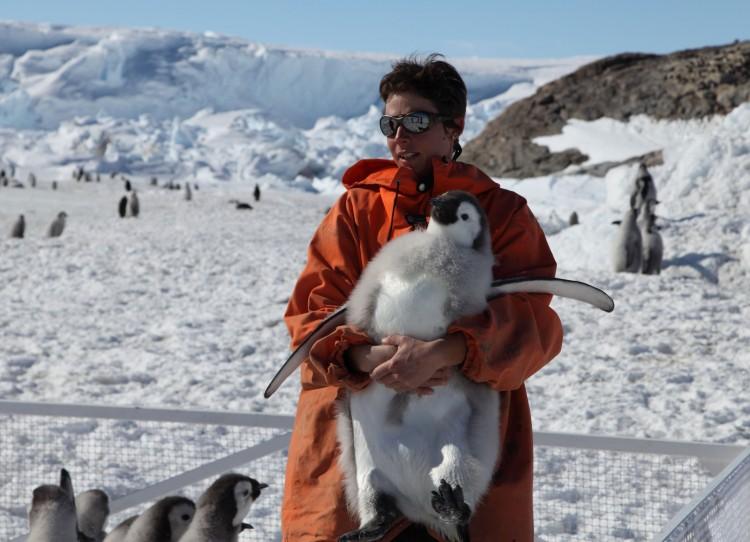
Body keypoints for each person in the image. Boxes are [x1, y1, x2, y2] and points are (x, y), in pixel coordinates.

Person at [282, 54, 563, 542]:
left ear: (454, 127)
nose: (399, 136)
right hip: (362, 446)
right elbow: (312, 312)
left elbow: (535, 323)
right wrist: (369, 357)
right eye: (390, 123)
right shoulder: (357, 208)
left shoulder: (501, 213)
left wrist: (446, 350)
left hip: (462, 445)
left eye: (415, 121)